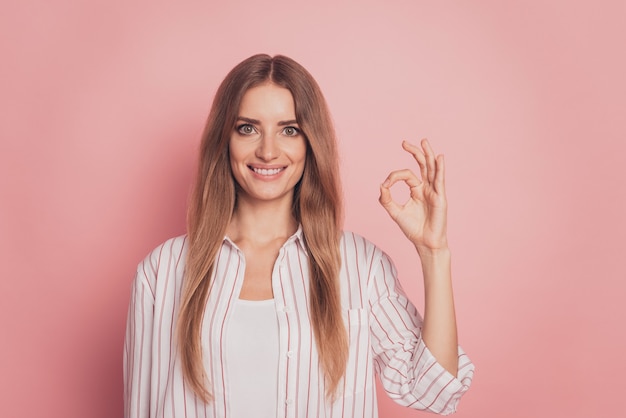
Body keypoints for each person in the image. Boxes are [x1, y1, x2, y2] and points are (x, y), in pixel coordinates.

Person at [124, 54, 474, 418]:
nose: (268, 150)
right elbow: (141, 408)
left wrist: (434, 252)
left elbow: (434, 391)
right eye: (248, 128)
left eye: (289, 129)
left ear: (310, 143)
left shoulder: (361, 267)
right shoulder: (161, 273)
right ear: (223, 139)